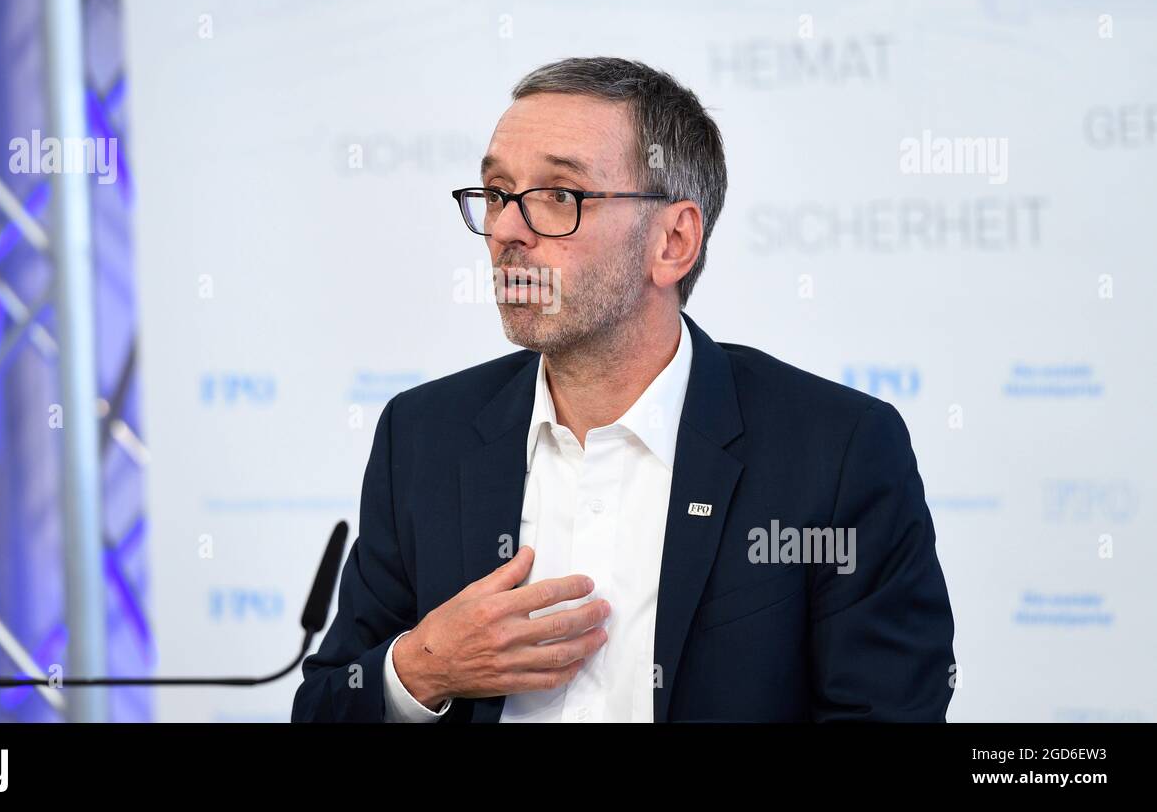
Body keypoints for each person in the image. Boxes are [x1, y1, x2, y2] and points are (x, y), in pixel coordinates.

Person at [292, 57, 956, 723]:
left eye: (559, 195)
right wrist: (426, 667)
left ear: (672, 241)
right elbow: (323, 706)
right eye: (497, 193)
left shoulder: (835, 452)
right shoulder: (424, 435)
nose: (505, 231)